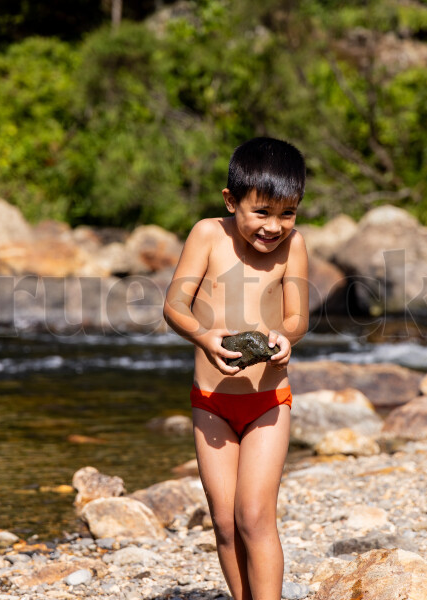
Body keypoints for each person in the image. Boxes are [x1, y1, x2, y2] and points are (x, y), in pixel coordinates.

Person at [163, 137, 309, 600]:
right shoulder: (207, 235)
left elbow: (297, 316)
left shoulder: (295, 246)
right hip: (211, 403)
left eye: (287, 214)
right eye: (261, 212)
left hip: (268, 402)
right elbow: (174, 306)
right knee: (224, 521)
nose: (274, 227)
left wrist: (288, 336)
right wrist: (203, 337)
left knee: (254, 514)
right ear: (231, 201)